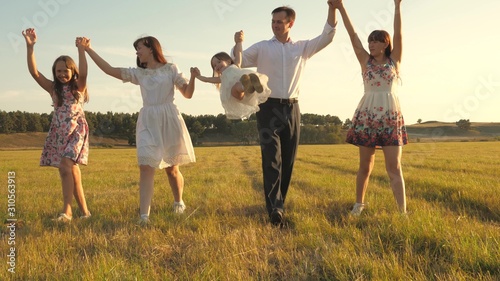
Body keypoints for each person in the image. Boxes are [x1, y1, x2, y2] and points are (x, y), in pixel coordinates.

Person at [234, 2, 338, 226]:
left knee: (288, 160)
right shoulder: (262, 47)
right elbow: (239, 62)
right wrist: (238, 44)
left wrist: (333, 8)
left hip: (292, 108)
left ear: (291, 23)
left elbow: (327, 36)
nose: (275, 25)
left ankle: (279, 202)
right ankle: (275, 208)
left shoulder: (302, 48)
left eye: (280, 22)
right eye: (273, 22)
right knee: (271, 158)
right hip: (267, 107)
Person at [80, 35, 197, 224]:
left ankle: (178, 202)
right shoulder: (139, 73)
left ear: (151, 48)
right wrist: (88, 50)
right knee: (145, 166)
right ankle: (144, 216)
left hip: (169, 119)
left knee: (172, 169)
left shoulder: (171, 69)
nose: (137, 52)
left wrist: (192, 78)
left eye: (139, 48)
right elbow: (109, 70)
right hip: (147, 120)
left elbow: (188, 94)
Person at [337, 0, 407, 215]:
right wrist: (340, 7)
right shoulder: (364, 61)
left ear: (385, 44)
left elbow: (399, 34)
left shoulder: (395, 61)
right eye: (369, 42)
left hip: (390, 116)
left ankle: (402, 212)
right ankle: (359, 205)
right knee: (365, 165)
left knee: (394, 167)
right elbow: (352, 36)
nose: (371, 45)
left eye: (375, 42)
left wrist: (397, 7)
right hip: (367, 116)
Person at [22, 28, 92, 222]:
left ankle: (67, 212)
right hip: (60, 133)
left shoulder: (78, 86)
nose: (62, 74)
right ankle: (85, 213)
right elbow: (35, 73)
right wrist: (30, 47)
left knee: (65, 167)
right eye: (58, 71)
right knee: (72, 171)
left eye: (65, 70)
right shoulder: (53, 88)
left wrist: (81, 50)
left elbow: (84, 72)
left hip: (76, 131)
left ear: (72, 71)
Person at [192, 48, 271, 120]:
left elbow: (239, 53)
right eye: (214, 66)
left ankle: (251, 84)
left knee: (240, 83)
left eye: (219, 62)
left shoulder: (235, 66)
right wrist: (197, 76)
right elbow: (207, 79)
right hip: (237, 95)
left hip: (247, 93)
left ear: (228, 61)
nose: (217, 66)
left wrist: (239, 41)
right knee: (236, 87)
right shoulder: (222, 78)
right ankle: (246, 85)